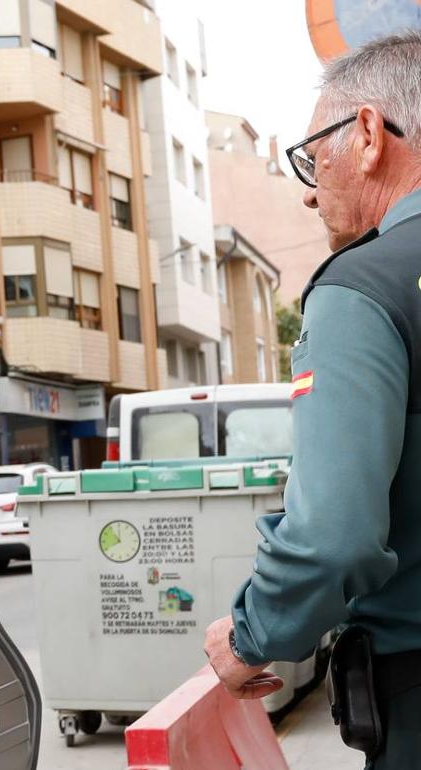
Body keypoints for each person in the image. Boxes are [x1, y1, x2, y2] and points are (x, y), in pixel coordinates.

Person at [205, 32, 421, 769]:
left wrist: (248, 635)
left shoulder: (365, 287)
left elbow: (336, 538)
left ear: (366, 135)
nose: (307, 185)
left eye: (313, 154)